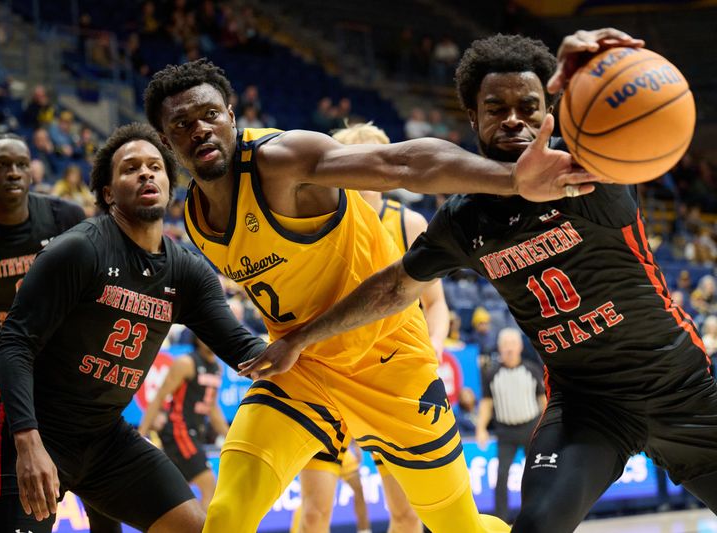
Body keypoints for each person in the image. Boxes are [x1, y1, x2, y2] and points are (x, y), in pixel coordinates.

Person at [246, 29, 717, 533]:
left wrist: (587, 69)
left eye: (529, 106)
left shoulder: (586, 167)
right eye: (496, 107)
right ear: (473, 117)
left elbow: (621, 120)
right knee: (533, 527)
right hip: (588, 407)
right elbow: (392, 288)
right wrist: (299, 338)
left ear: (550, 112)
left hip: (681, 388)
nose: (514, 118)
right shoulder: (463, 220)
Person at [143, 58, 596, 533]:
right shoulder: (194, 216)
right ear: (167, 140)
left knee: (458, 527)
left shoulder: (281, 161)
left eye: (210, 115)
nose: (200, 130)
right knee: (227, 517)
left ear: (232, 116)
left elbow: (399, 162)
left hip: (389, 367)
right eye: (181, 124)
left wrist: (509, 180)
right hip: (304, 371)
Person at [0, 123, 267, 532]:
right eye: (130, 167)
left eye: (155, 166)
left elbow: (245, 349)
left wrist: (314, 343)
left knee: (196, 527)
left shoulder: (187, 272)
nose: (145, 173)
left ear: (169, 186)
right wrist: (27, 442)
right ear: (108, 192)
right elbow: (12, 344)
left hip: (107, 437)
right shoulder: (79, 249)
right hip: (40, 431)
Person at [0, 133, 121, 532]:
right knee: (22, 512)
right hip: (4, 390)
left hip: (70, 377)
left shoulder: (64, 218)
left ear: (33, 170)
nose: (13, 172)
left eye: (21, 163)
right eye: (2, 165)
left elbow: (100, 299)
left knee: (103, 503)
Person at [295, 122, 451, 533]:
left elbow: (436, 305)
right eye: (357, 163)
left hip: (389, 379)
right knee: (314, 513)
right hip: (329, 378)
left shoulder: (410, 224)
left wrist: (432, 348)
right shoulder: (317, 224)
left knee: (406, 513)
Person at [138, 335, 229, 510]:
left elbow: (212, 408)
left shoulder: (217, 367)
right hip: (180, 432)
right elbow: (159, 397)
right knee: (209, 485)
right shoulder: (186, 363)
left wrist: (231, 437)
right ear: (197, 338)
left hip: (194, 433)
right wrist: (141, 432)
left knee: (178, 500)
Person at [475, 328, 545, 522]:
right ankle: (502, 520)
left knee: (538, 474)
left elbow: (543, 400)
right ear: (499, 347)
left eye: (512, 344)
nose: (509, 349)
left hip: (531, 427)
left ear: (520, 346)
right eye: (505, 345)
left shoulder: (531, 369)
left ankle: (540, 515)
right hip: (505, 431)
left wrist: (546, 426)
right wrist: (481, 428)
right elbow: (487, 404)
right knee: (501, 476)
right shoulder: (491, 374)